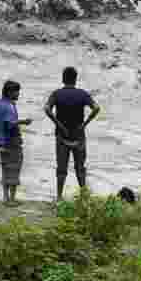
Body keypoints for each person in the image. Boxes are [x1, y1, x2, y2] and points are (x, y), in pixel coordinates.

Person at [44, 67, 101, 201]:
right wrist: (84, 124)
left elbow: (47, 109)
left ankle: (59, 197)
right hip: (78, 135)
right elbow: (96, 108)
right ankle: (84, 196)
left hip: (61, 135)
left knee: (61, 167)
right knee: (80, 167)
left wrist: (58, 124)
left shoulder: (56, 94)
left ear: (63, 79)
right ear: (75, 79)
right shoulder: (82, 94)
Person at [0, 80, 33, 205]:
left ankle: (5, 197)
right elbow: (10, 123)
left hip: (1, 142)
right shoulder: (9, 106)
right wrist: (23, 122)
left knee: (5, 168)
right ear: (10, 92)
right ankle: (12, 199)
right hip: (12, 141)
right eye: (17, 91)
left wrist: (0, 143)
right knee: (15, 168)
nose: (18, 94)